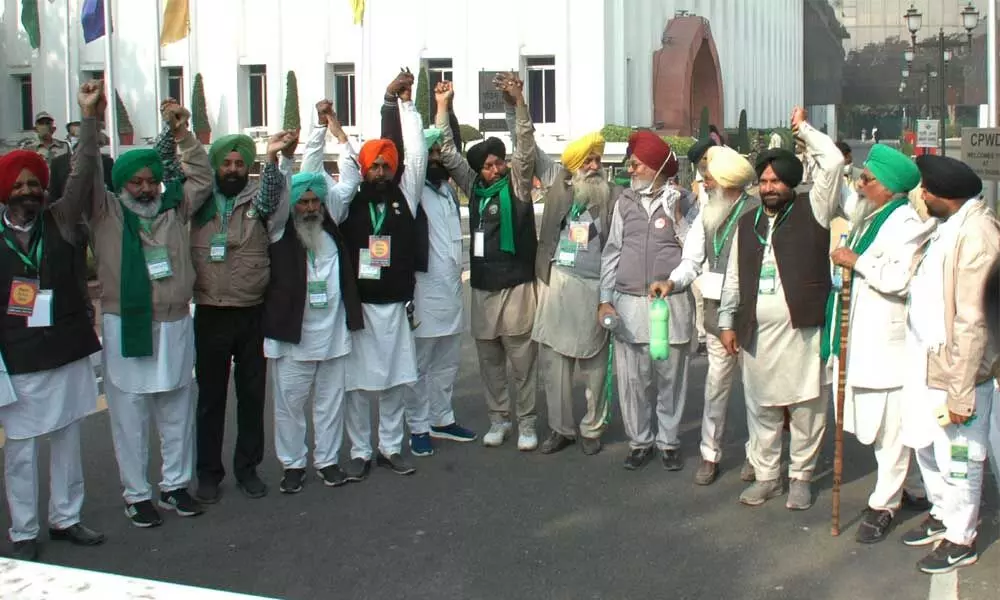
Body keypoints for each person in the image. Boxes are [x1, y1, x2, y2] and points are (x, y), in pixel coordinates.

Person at [718, 107, 845, 510]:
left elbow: (836, 160)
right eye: (764, 180)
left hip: (803, 332)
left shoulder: (816, 210)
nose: (768, 186)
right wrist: (726, 321)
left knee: (807, 408)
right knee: (763, 408)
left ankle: (801, 477)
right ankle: (769, 477)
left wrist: (804, 131)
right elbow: (734, 279)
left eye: (776, 181)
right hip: (757, 333)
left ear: (791, 184)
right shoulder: (748, 223)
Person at [0, 84, 107, 561]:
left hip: (64, 347)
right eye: (19, 185)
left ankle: (66, 517)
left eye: (34, 184)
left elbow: (83, 172)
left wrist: (88, 119)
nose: (29, 191)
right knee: (21, 449)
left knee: (67, 437)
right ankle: (23, 530)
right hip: (17, 357)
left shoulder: (60, 219)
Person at [825, 144, 935, 543]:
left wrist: (857, 262)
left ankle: (884, 504)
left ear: (888, 188)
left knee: (891, 431)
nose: (859, 184)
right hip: (857, 339)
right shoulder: (866, 217)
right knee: (879, 426)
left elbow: (899, 279)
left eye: (867, 180)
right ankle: (914, 487)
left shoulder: (906, 223)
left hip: (885, 346)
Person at [900, 155, 999, 574]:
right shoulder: (945, 228)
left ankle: (962, 537)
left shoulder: (977, 235)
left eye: (927, 189)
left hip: (961, 368)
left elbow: (974, 318)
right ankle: (943, 512)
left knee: (961, 455)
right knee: (928, 442)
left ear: (949, 195)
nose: (922, 195)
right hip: (929, 360)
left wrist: (961, 388)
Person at [190, 121, 295, 503]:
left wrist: (271, 157)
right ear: (216, 166)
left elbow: (273, 193)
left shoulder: (257, 200)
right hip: (210, 311)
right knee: (210, 399)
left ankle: (247, 468)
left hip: (251, 312)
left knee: (251, 397)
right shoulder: (199, 201)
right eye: (227, 163)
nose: (233, 169)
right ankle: (208, 474)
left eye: (239, 163)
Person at [434, 78, 541, 451]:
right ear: (478, 170)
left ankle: (527, 423)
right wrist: (444, 106)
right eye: (489, 165)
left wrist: (519, 103)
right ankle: (500, 421)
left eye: (499, 162)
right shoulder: (474, 188)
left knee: (522, 359)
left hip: (517, 287)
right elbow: (448, 152)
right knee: (490, 360)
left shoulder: (518, 186)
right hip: (482, 288)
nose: (496, 168)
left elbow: (525, 149)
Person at [332, 72, 426, 478]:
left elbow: (418, 155)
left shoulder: (406, 197)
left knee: (394, 382)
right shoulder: (348, 204)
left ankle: (390, 447)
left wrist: (406, 105)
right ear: (365, 169)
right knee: (356, 385)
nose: (383, 171)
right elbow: (347, 154)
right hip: (359, 310)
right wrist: (334, 130)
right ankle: (359, 451)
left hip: (396, 306)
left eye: (388, 165)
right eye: (376, 165)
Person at [650, 145, 758, 485]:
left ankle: (758, 457)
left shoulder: (757, 211)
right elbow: (691, 261)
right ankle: (710, 454)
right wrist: (673, 281)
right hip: (715, 317)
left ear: (729, 181)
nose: (705, 184)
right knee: (716, 387)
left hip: (753, 319)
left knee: (756, 393)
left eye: (710, 179)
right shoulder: (708, 214)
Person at [385, 83, 477, 457]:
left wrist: (445, 106)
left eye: (441, 151)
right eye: (432, 152)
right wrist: (401, 105)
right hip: (422, 293)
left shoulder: (447, 193)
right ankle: (418, 425)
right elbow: (411, 151)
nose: (438, 158)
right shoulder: (411, 191)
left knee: (447, 363)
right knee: (419, 365)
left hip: (451, 293)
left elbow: (451, 144)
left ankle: (442, 418)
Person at [263, 161, 364, 493]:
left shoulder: (332, 232)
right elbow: (275, 200)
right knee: (290, 405)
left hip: (332, 335)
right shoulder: (279, 232)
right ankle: (292, 464)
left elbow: (349, 183)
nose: (309, 207)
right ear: (293, 205)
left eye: (314, 201)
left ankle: (327, 461)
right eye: (303, 202)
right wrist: (282, 161)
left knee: (330, 403)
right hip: (294, 338)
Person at [599, 130, 696, 471]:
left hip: (671, 305)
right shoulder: (623, 201)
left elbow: (695, 254)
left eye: (638, 165)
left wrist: (679, 217)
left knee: (671, 377)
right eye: (632, 164)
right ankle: (640, 441)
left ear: (656, 168)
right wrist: (605, 300)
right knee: (633, 380)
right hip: (629, 305)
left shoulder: (683, 201)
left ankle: (668, 441)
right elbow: (611, 253)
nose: (632, 169)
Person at [527, 127, 620, 456]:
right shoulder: (558, 185)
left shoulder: (615, 195)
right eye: (588, 160)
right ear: (575, 165)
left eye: (597, 159)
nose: (594, 165)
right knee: (555, 363)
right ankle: (560, 429)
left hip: (596, 289)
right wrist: (519, 106)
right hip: (558, 284)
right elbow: (529, 148)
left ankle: (593, 428)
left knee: (594, 363)